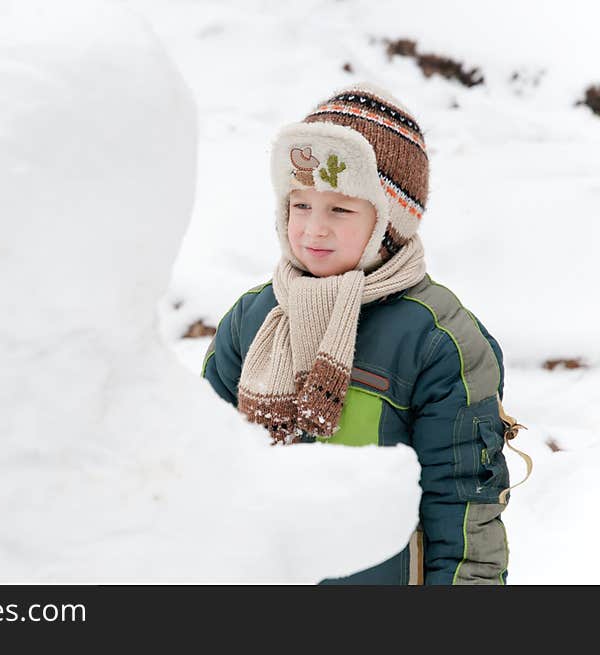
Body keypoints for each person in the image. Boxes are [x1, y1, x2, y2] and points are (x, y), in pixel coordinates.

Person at [201, 82, 517, 585]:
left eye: (340, 210)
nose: (313, 229)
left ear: (390, 222)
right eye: (300, 205)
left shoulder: (436, 338)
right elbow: (198, 467)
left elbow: (463, 507)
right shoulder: (254, 317)